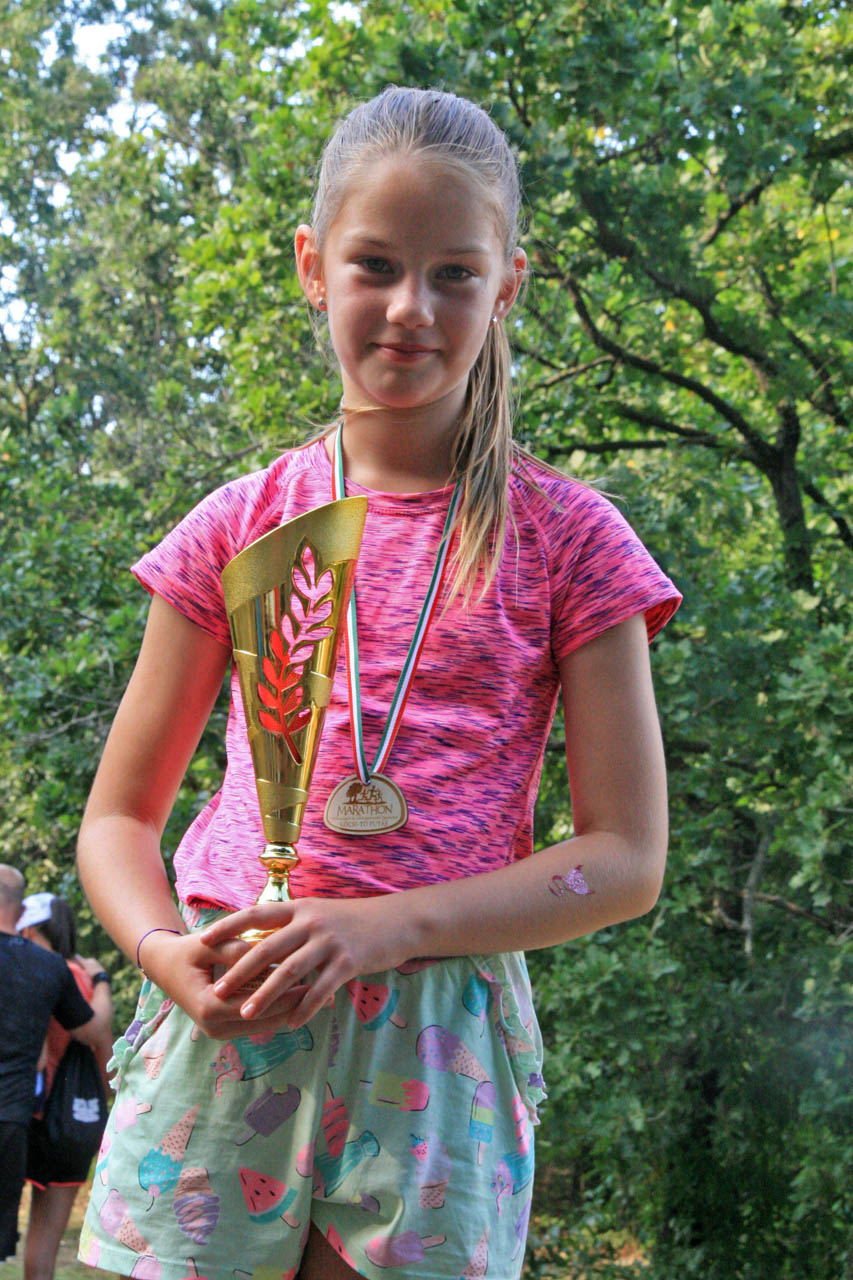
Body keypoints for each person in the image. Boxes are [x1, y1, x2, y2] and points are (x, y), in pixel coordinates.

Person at [77, 86, 681, 1280]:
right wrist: (159, 952)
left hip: (438, 1038)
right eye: (375, 265)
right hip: (229, 1001)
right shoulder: (237, 526)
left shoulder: (570, 541)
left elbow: (625, 857)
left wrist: (386, 924)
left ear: (507, 286)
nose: (411, 307)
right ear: (313, 266)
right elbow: (117, 819)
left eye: (455, 274)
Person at [0, 869, 110, 1265]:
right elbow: (97, 1036)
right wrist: (102, 980)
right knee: (38, 1237)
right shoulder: (58, 972)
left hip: (29, 1118)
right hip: (37, 1120)